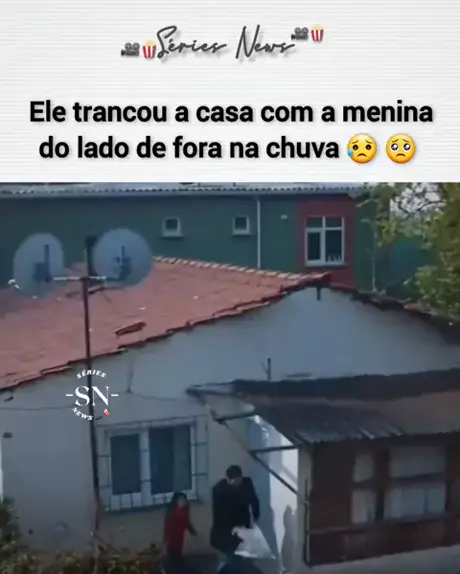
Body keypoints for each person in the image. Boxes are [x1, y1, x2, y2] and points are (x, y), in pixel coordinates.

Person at [210, 465, 260, 573]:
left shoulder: (247, 483)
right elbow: (219, 515)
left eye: (239, 480)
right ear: (228, 479)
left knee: (241, 555)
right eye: (235, 481)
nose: (238, 483)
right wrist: (230, 531)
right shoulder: (219, 490)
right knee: (232, 557)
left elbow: (254, 500)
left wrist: (256, 516)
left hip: (243, 523)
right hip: (225, 529)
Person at [162, 491, 198, 574]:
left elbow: (186, 522)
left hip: (176, 543)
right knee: (176, 563)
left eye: (185, 500)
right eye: (182, 500)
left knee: (176, 563)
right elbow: (170, 528)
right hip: (173, 543)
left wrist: (193, 531)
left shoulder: (181, 511)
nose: (184, 502)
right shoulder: (174, 512)